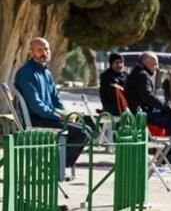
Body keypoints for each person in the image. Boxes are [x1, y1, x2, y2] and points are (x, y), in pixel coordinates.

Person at [13, 37, 90, 171]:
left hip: (47, 117)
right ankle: (57, 167)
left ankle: (57, 165)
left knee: (85, 128)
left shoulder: (46, 73)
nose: (44, 53)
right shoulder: (26, 73)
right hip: (35, 119)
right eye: (39, 50)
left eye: (46, 49)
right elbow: (36, 105)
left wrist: (66, 114)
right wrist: (58, 117)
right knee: (82, 132)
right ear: (31, 52)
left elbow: (56, 99)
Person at [123, 52, 171, 166]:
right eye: (154, 64)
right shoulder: (142, 75)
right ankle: (169, 154)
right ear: (145, 63)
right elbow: (148, 97)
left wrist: (166, 108)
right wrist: (170, 109)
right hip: (142, 115)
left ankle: (163, 152)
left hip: (139, 112)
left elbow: (147, 98)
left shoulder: (137, 73)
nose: (157, 67)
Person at [98, 53, 127, 117]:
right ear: (111, 64)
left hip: (125, 107)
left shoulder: (126, 75)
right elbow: (111, 91)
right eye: (117, 62)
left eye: (121, 62)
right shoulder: (106, 76)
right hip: (112, 108)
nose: (119, 65)